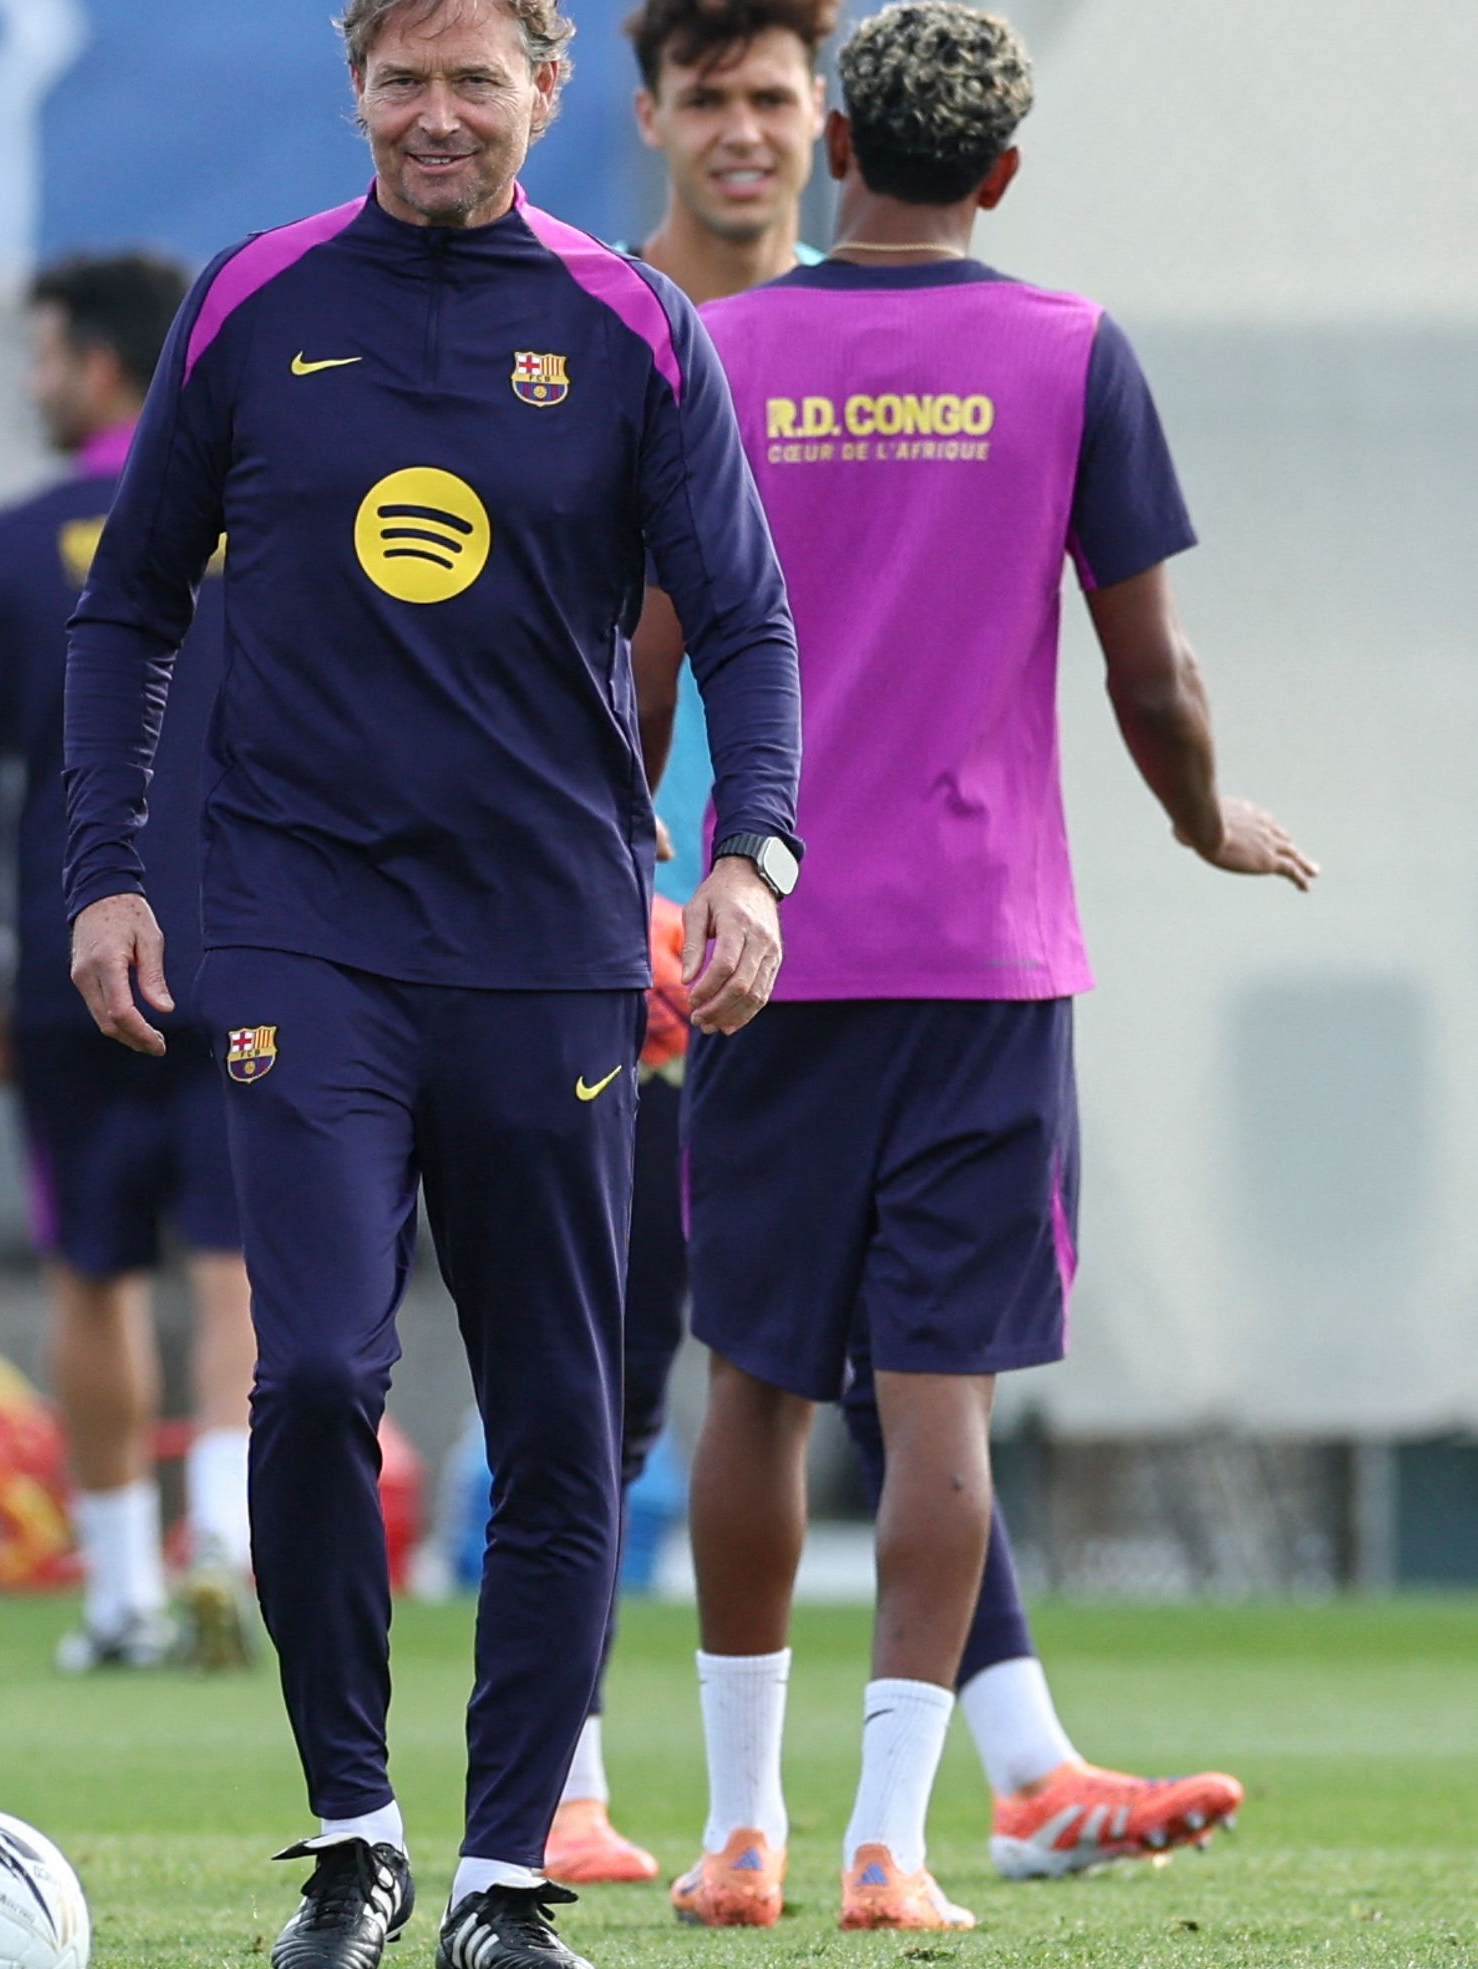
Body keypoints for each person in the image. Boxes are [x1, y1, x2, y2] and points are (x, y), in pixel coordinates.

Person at [61, 0, 808, 1961]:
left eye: (476, 80)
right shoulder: (249, 301)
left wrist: (752, 853)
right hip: (306, 936)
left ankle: (499, 1879)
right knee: (311, 1373)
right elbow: (127, 607)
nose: (437, 115)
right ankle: (352, 1832)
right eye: (403, 79)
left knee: (563, 1418)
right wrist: (104, 876)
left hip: (551, 949)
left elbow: (742, 618)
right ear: (357, 91)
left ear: (548, 97)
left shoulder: (632, 328)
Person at [545, 0, 1252, 1892]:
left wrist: (641, 859)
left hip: (756, 945)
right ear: (1005, 172)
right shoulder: (1071, 352)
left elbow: (640, 667)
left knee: (752, 1381)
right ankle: (889, 1838)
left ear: (837, 144)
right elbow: (1151, 667)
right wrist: (1204, 815)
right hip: (991, 954)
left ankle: (738, 1828)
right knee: (939, 1406)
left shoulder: (716, 351)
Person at [0, 252, 261, 1675]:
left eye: (46, 352)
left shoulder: (16, 542)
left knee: (94, 1274)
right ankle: (237, 1572)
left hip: (76, 959)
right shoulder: (259, 522)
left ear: (103, 365)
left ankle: (122, 1594)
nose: (33, 378)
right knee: (248, 1272)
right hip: (254, 948)